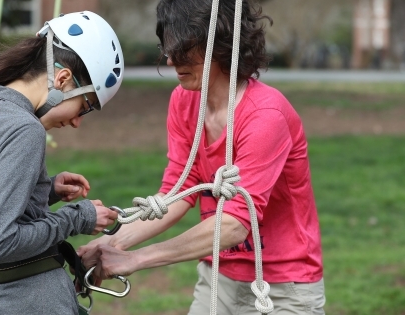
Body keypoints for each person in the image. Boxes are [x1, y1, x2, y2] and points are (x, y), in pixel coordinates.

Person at [78, 0, 325, 314]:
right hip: (217, 278)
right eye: (168, 49)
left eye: (182, 51)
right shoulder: (184, 100)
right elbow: (177, 192)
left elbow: (235, 224)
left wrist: (138, 259)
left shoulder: (266, 116)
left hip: (282, 286)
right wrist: (114, 243)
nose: (170, 61)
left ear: (220, 46)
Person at [0, 10, 124, 315]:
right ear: (63, 79)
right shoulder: (23, 128)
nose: (78, 122)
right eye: (86, 106)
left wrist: (43, 188)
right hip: (32, 299)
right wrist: (77, 218)